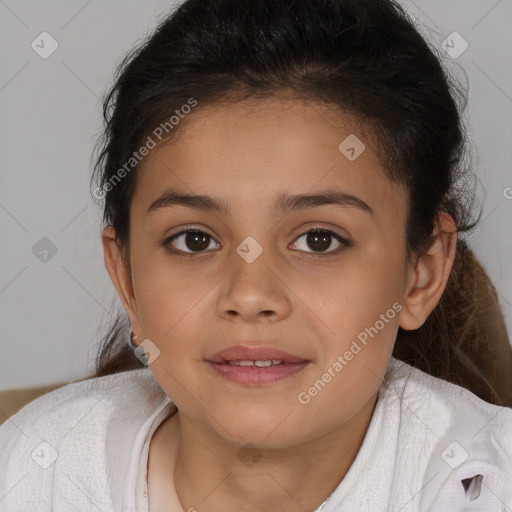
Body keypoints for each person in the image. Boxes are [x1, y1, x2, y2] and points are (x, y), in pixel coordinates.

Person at [1, 0, 511, 511]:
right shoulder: (36, 471)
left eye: (319, 240)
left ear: (420, 274)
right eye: (194, 240)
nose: (249, 296)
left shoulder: (486, 487)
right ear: (128, 280)